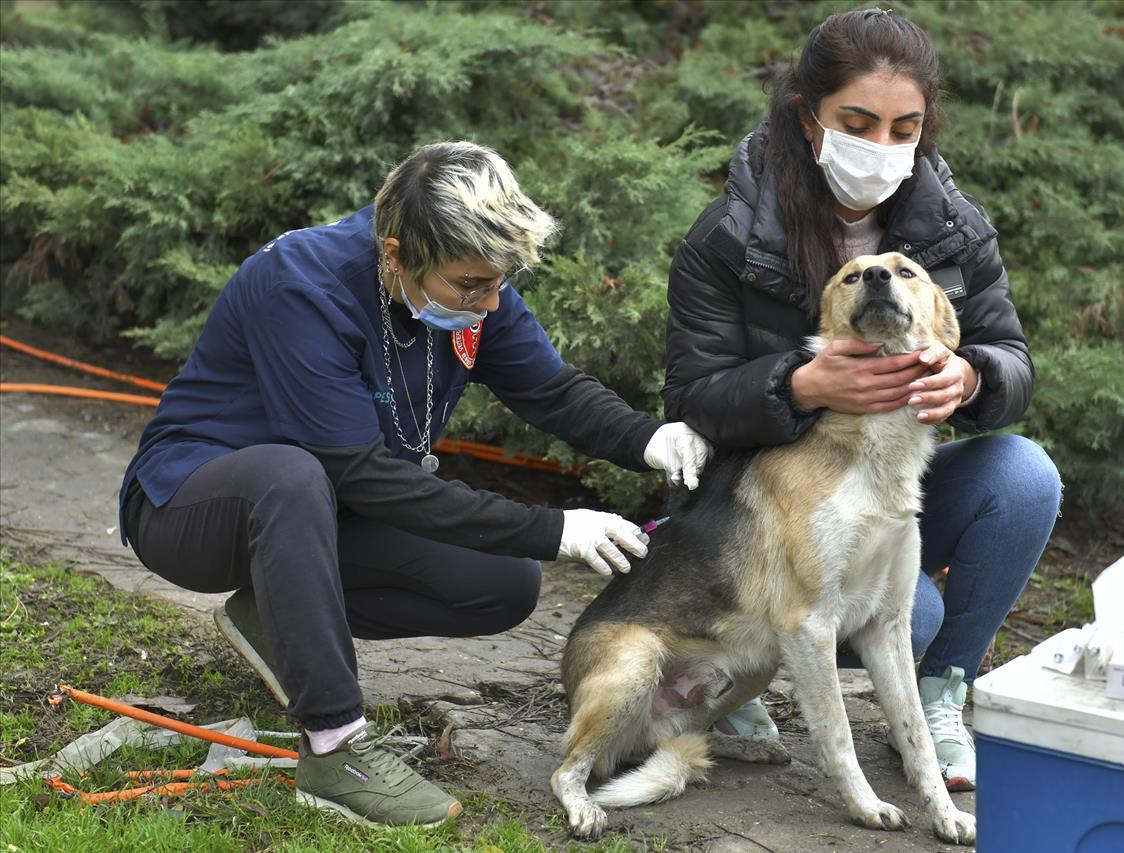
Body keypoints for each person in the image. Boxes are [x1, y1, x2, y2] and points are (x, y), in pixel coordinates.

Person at [119, 141, 711, 827]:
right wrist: (554, 527)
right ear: (396, 254)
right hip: (190, 504)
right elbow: (357, 474)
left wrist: (648, 438)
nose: (489, 303)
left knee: (502, 581)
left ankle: (275, 618)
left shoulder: (469, 283)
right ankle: (336, 748)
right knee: (290, 474)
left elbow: (551, 391)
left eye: (501, 281)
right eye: (471, 285)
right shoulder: (302, 285)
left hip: (323, 509)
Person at [662, 8, 1060, 792]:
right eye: (858, 122)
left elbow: (1012, 359)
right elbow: (690, 399)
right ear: (811, 118)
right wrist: (797, 384)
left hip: (893, 479)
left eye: (903, 127)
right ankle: (736, 664)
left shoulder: (955, 231)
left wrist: (974, 376)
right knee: (908, 615)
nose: (882, 148)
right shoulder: (728, 238)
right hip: (775, 512)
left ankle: (944, 692)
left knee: (1024, 477)